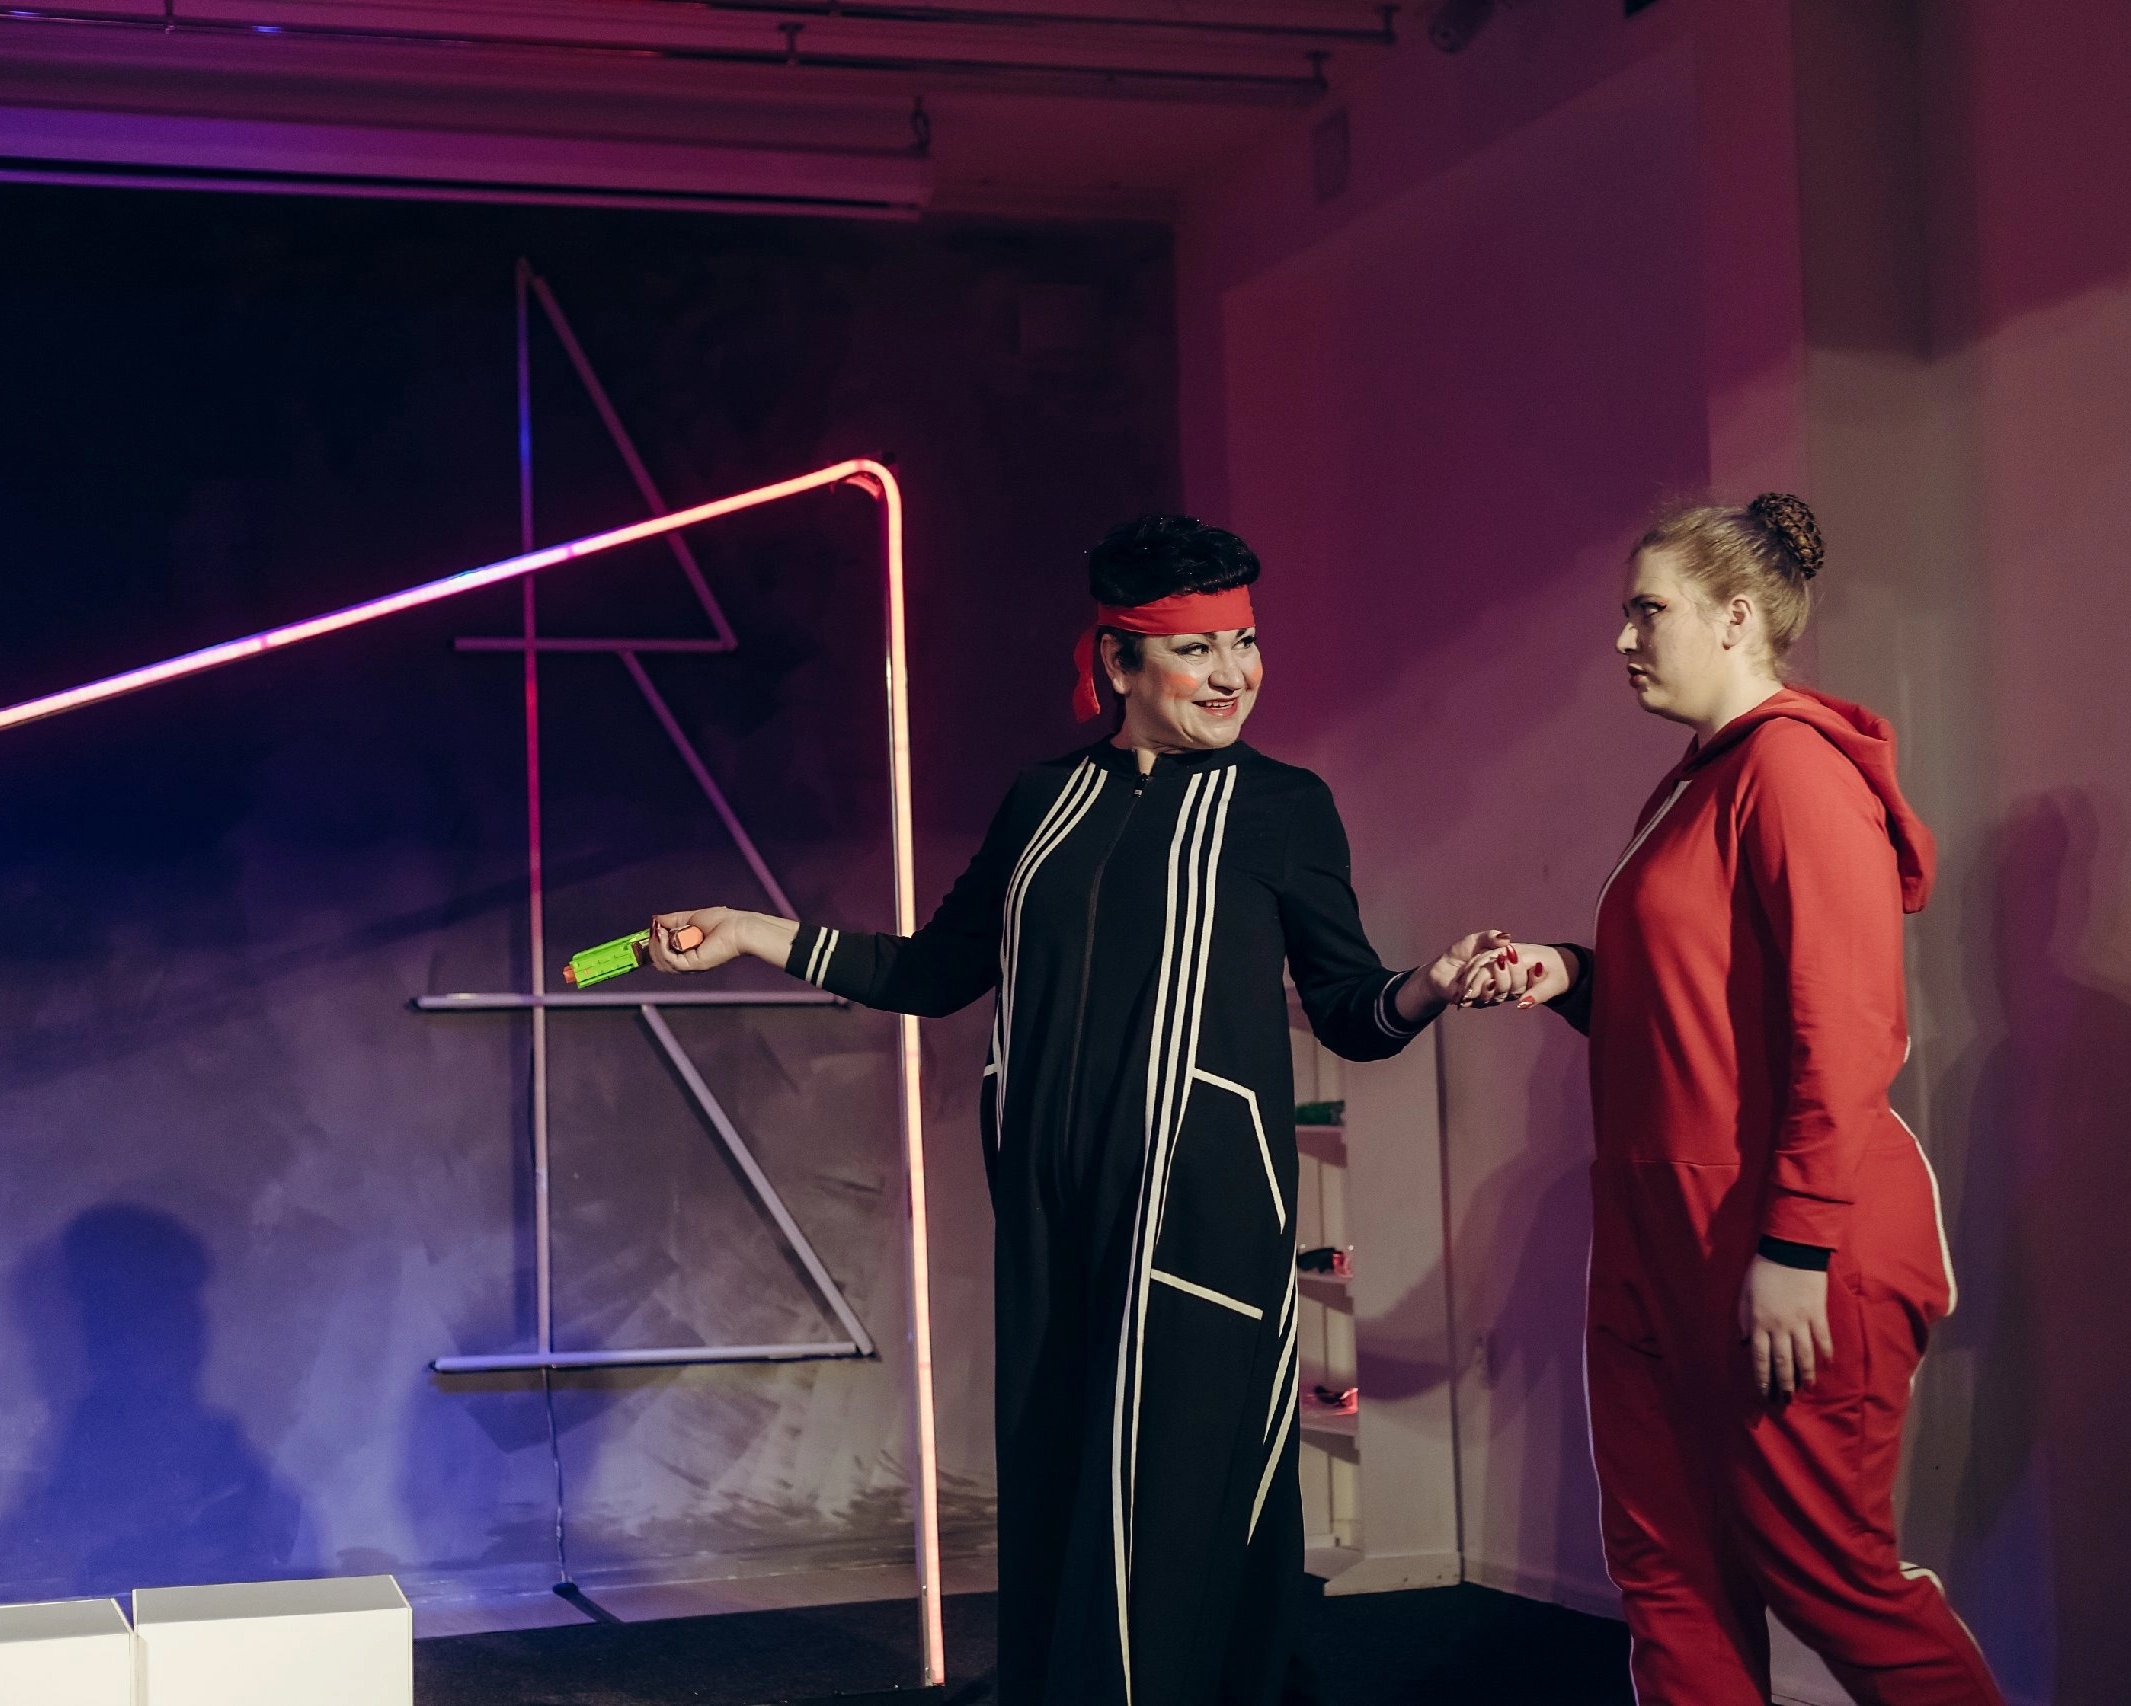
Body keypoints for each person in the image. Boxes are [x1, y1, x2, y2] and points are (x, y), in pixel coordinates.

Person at [648, 515, 1534, 1706]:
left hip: (1202, 1213)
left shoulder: (1281, 804)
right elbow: (933, 970)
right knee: (1067, 1473)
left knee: (1170, 1496)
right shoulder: (1043, 798)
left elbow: (1348, 1007)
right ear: (1118, 660)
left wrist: (1430, 983)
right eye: (1196, 648)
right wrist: (755, 931)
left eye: (1244, 642)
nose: (1232, 674)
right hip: (1054, 1217)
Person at [1506, 495, 2001, 1704]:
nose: (1623, 637)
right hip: (1657, 1232)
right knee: (1667, 1570)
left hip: (1781, 1239)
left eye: (1647, 610)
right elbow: (1696, 1007)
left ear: (1734, 618)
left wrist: (1794, 1245)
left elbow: (1847, 1026)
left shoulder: (1793, 769)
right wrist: (1569, 974)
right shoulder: (1695, 782)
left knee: (1829, 1575)